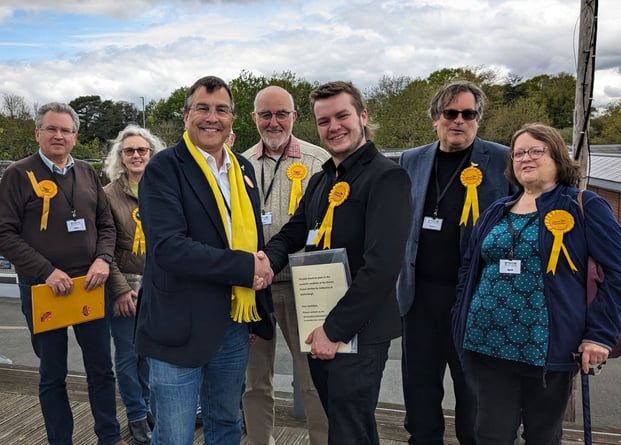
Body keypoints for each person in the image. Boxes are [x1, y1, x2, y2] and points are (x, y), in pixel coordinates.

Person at [452, 123, 621, 444]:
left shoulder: (583, 206)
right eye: (518, 153)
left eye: (536, 150)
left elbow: (617, 272)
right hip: (486, 347)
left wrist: (600, 335)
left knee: (543, 436)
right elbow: (468, 269)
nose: (525, 158)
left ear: (558, 156)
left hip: (547, 350)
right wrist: (459, 318)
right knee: (490, 435)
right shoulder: (495, 212)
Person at [263, 81, 412, 445]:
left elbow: (381, 267)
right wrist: (265, 260)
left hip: (357, 332)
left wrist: (335, 330)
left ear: (362, 116)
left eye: (342, 116)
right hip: (320, 324)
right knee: (350, 427)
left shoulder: (387, 178)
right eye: (323, 121)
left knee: (348, 430)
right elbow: (292, 233)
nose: (334, 127)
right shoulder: (320, 180)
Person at [133, 75, 274, 445]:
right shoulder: (164, 168)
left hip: (232, 323)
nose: (212, 118)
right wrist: (246, 269)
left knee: (225, 422)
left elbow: (251, 238)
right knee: (174, 435)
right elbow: (169, 248)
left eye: (221, 110)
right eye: (203, 108)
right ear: (186, 116)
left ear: (232, 119)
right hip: (177, 325)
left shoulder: (242, 168)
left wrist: (256, 310)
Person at [0, 102, 126, 445]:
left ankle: (109, 437)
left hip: (90, 284)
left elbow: (106, 224)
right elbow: (1, 235)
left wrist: (103, 260)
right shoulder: (18, 175)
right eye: (51, 129)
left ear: (75, 137)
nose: (58, 136)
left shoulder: (86, 172)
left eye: (65, 130)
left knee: (101, 370)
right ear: (38, 133)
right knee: (52, 374)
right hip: (43, 287)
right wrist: (46, 271)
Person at [397, 80, 514, 445]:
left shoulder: (503, 159)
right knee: (419, 390)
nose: (459, 120)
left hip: (474, 300)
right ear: (436, 118)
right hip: (418, 300)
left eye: (468, 114)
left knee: (473, 395)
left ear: (478, 119)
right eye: (451, 113)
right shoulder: (411, 159)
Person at [242, 85, 330, 445]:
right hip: (254, 289)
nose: (274, 122)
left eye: (281, 114)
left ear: (295, 116)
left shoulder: (319, 161)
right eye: (266, 114)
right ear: (254, 119)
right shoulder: (240, 163)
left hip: (304, 286)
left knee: (313, 378)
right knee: (254, 380)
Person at [103, 124, 165, 444]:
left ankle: (149, 407)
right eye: (130, 151)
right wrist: (121, 289)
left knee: (151, 354)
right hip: (123, 288)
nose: (137, 155)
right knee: (128, 355)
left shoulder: (163, 188)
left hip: (158, 287)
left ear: (151, 154)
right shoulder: (108, 195)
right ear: (121, 156)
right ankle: (137, 416)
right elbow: (104, 249)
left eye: (142, 150)